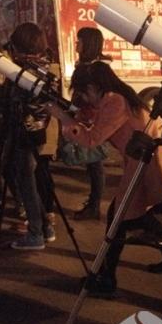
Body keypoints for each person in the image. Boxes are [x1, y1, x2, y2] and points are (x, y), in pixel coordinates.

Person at [44, 61, 162, 295]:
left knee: (118, 219)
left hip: (145, 163)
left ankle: (107, 280)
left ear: (94, 87)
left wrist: (63, 118)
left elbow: (91, 139)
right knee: (133, 217)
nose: (84, 98)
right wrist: (74, 112)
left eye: (84, 92)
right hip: (143, 161)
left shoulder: (115, 101)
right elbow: (94, 118)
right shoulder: (114, 97)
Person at [3, 22, 56, 250]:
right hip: (37, 131)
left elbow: (16, 102)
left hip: (25, 133)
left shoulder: (26, 72)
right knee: (31, 181)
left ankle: (36, 234)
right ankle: (44, 227)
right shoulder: (44, 67)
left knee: (27, 184)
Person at [70, 27, 112, 220]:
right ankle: (93, 204)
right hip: (85, 117)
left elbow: (99, 97)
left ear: (89, 43)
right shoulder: (85, 65)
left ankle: (94, 206)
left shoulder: (97, 69)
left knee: (95, 163)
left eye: (79, 41)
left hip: (92, 120)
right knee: (92, 164)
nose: (76, 44)